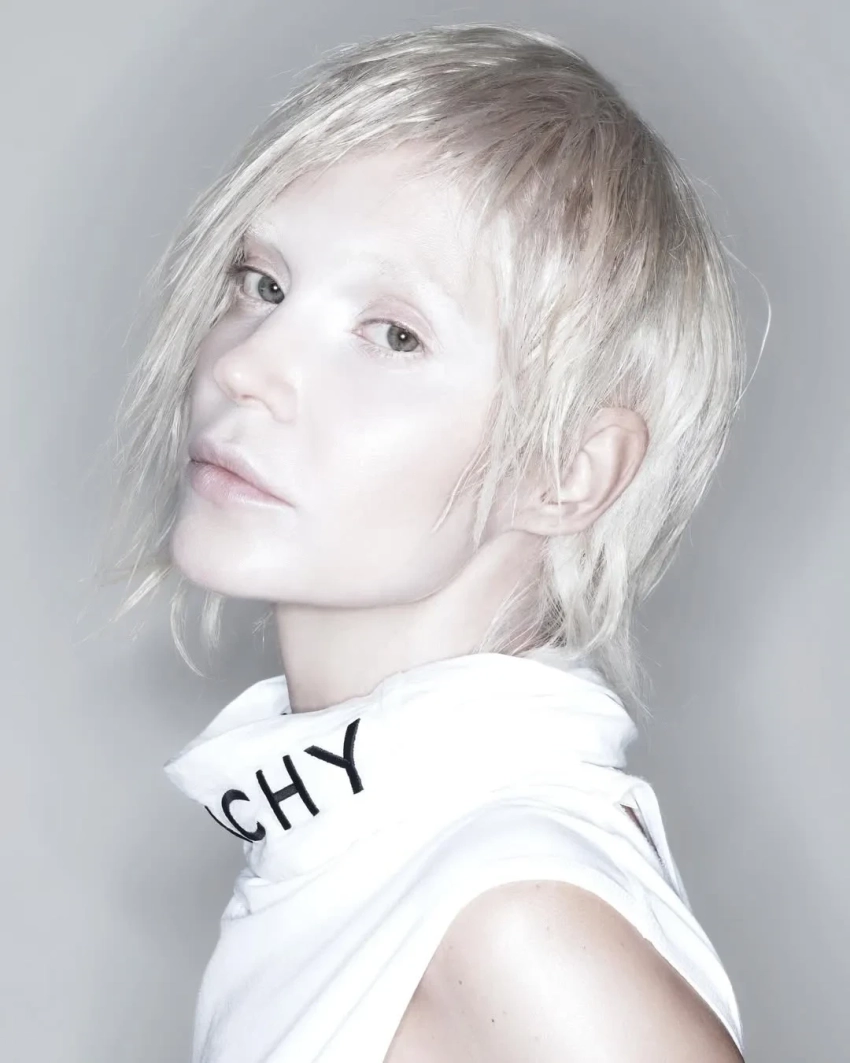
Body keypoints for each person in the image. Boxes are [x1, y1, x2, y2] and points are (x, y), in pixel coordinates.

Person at [95, 23, 749, 1063]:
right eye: (263, 283)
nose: (244, 366)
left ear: (568, 471)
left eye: (395, 333)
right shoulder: (360, 848)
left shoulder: (515, 922)